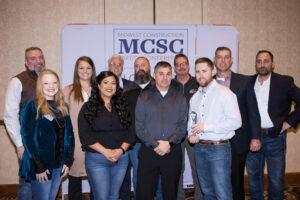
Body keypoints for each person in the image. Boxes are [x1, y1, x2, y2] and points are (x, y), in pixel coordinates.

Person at [246, 50, 300, 200]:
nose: (262, 64)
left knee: (276, 180)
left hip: (275, 137)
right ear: (255, 64)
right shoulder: (248, 82)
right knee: (254, 179)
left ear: (273, 64)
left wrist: (289, 122)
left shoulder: (284, 82)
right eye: (259, 61)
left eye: (266, 61)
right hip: (253, 137)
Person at [188, 57, 241, 199]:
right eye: (197, 71)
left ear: (212, 72)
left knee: (222, 193)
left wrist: (206, 127)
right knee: (207, 192)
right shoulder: (195, 98)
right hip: (199, 149)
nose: (200, 75)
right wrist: (190, 134)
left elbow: (236, 122)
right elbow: (192, 121)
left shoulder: (225, 93)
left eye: (204, 71)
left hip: (219, 150)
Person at [19, 69, 75, 200]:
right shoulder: (32, 106)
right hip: (41, 165)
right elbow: (27, 138)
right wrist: (39, 166)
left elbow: (69, 135)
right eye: (46, 83)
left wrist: (68, 161)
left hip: (58, 165)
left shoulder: (63, 106)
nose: (51, 86)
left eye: (54, 82)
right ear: (40, 86)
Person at [135, 61, 188, 200]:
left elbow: (183, 126)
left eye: (168, 74)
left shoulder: (180, 98)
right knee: (144, 193)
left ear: (172, 76)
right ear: (154, 75)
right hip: (149, 151)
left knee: (170, 194)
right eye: (161, 74)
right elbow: (139, 126)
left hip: (172, 151)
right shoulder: (144, 97)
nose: (165, 77)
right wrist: (155, 144)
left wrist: (168, 143)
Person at [214, 47, 261, 200]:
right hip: (215, 140)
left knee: (236, 181)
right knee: (217, 180)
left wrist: (255, 137)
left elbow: (252, 111)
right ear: (214, 60)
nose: (223, 60)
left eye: (226, 57)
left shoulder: (245, 81)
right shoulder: (207, 82)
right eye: (219, 57)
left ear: (231, 60)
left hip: (238, 140)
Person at [78, 71, 134, 200]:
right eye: (106, 82)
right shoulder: (88, 107)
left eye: (113, 83)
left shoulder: (124, 107)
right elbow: (85, 135)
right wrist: (106, 152)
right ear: (98, 85)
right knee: (102, 197)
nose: (110, 86)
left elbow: (131, 132)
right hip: (97, 160)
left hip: (121, 159)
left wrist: (121, 150)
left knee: (114, 196)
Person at [4, 46, 46, 199]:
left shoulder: (48, 79)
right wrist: (19, 144)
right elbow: (10, 116)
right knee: (27, 184)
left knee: (45, 182)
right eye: (33, 58)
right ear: (26, 62)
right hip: (28, 143)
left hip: (47, 143)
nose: (38, 61)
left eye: (41, 57)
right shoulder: (17, 81)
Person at [124, 57, 162, 200]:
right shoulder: (127, 91)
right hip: (135, 143)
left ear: (149, 68)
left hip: (156, 141)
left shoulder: (159, 88)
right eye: (136, 65)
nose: (140, 68)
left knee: (158, 176)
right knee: (139, 176)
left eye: (143, 65)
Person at [63, 56, 96, 200]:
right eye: (81, 67)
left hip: (97, 140)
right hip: (76, 141)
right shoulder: (68, 91)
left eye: (88, 67)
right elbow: (62, 117)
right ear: (77, 70)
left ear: (93, 70)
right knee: (75, 178)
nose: (85, 71)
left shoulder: (99, 89)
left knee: (96, 179)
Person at [170, 53, 203, 200]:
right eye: (178, 64)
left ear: (189, 66)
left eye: (184, 63)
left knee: (198, 169)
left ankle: (200, 197)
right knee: (176, 170)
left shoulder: (199, 83)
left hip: (194, 133)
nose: (181, 66)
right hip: (175, 134)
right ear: (174, 68)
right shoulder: (168, 84)